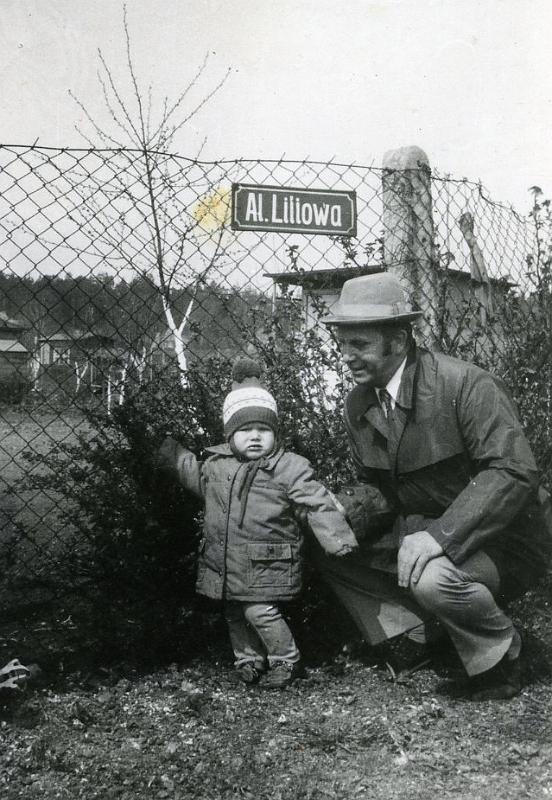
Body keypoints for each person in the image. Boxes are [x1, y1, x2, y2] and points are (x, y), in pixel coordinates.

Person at [317, 271, 552, 700]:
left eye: (360, 344)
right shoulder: (358, 402)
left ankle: (501, 658)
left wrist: (438, 537)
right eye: (342, 343)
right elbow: (380, 489)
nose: (346, 356)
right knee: (324, 541)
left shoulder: (464, 384)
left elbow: (513, 472)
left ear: (400, 339)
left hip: (509, 536)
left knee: (431, 577)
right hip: (427, 529)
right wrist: (342, 507)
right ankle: (418, 634)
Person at [157, 358, 358, 689]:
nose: (254, 437)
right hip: (228, 560)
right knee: (236, 611)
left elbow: (316, 500)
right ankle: (248, 659)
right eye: (244, 430)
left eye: (263, 430)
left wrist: (337, 539)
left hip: (266, 559)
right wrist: (170, 453)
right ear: (229, 434)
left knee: (259, 611)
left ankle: (285, 659)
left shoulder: (288, 467)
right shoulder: (217, 465)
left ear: (275, 433)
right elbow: (193, 474)